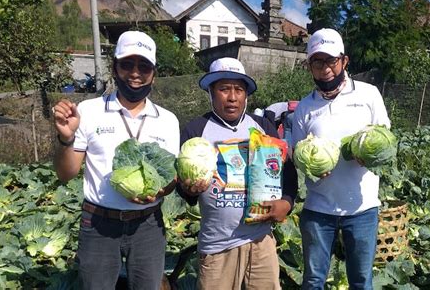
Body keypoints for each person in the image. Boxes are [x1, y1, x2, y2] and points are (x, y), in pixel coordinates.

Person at [53, 30, 179, 289]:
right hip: (99, 224)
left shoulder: (168, 120)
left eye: (144, 66)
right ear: (114, 68)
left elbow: (171, 178)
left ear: (154, 73)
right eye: (127, 64)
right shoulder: (88, 111)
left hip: (148, 225)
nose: (135, 73)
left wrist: (157, 192)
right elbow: (66, 174)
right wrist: (66, 138)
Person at [176, 57, 298, 289]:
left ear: (246, 95)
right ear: (211, 93)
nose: (232, 97)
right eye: (224, 89)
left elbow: (287, 171)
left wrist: (288, 202)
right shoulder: (195, 129)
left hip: (261, 240)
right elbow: (188, 193)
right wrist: (188, 188)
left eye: (238, 90)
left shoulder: (263, 126)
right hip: (217, 245)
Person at [291, 28, 391, 289]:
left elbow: (384, 138)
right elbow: (296, 152)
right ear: (309, 66)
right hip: (318, 208)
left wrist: (368, 155)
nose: (325, 68)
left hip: (362, 208)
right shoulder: (304, 107)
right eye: (317, 61)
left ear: (344, 61)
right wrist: (310, 167)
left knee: (361, 280)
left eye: (331, 61)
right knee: (313, 280)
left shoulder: (368, 95)